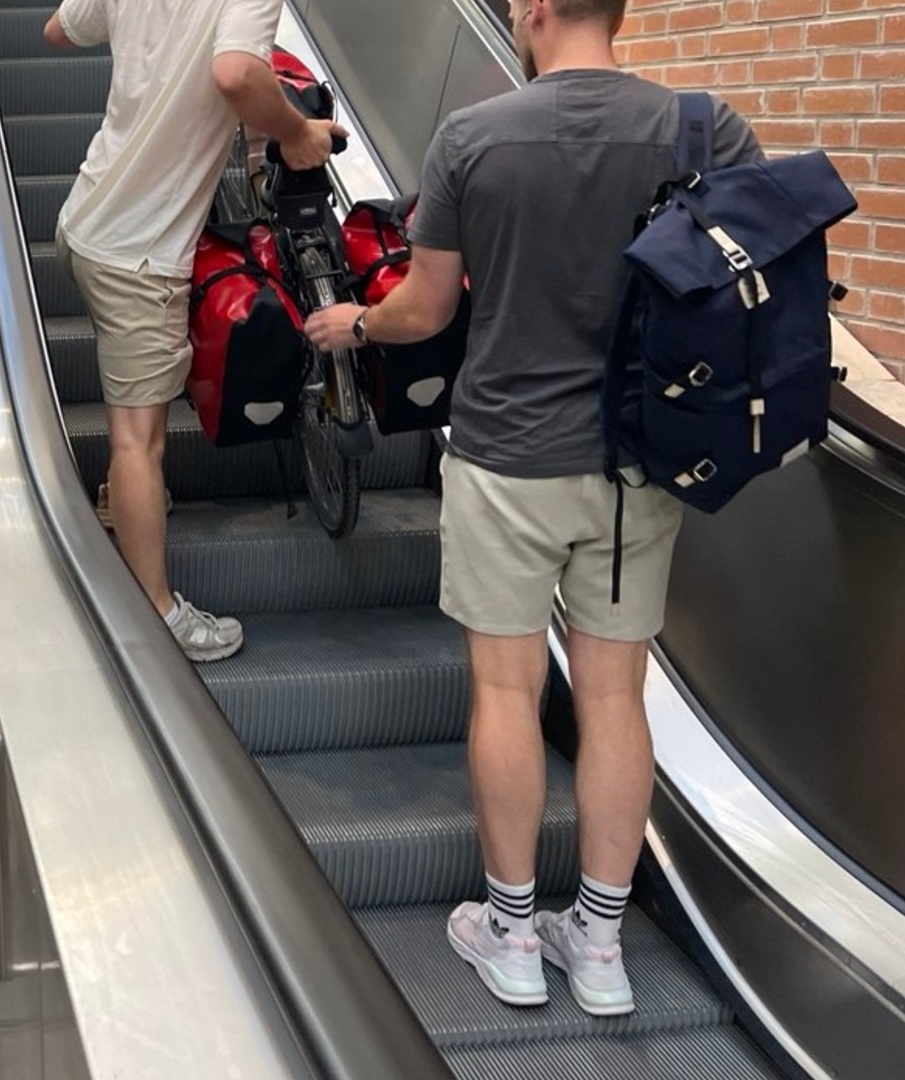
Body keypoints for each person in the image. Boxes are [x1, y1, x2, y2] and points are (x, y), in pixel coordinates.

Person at [303, 0, 759, 1017]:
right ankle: (597, 945)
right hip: (637, 461)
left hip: (507, 455)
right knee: (612, 698)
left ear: (540, 10)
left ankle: (511, 933)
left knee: (505, 693)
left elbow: (425, 308)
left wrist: (355, 323)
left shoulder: (476, 136)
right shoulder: (706, 128)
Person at [45, 0, 346, 662]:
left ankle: (119, 504)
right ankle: (155, 616)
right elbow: (237, 73)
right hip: (139, 253)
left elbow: (59, 29)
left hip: (87, 220)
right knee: (138, 440)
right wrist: (294, 131)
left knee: (138, 401)